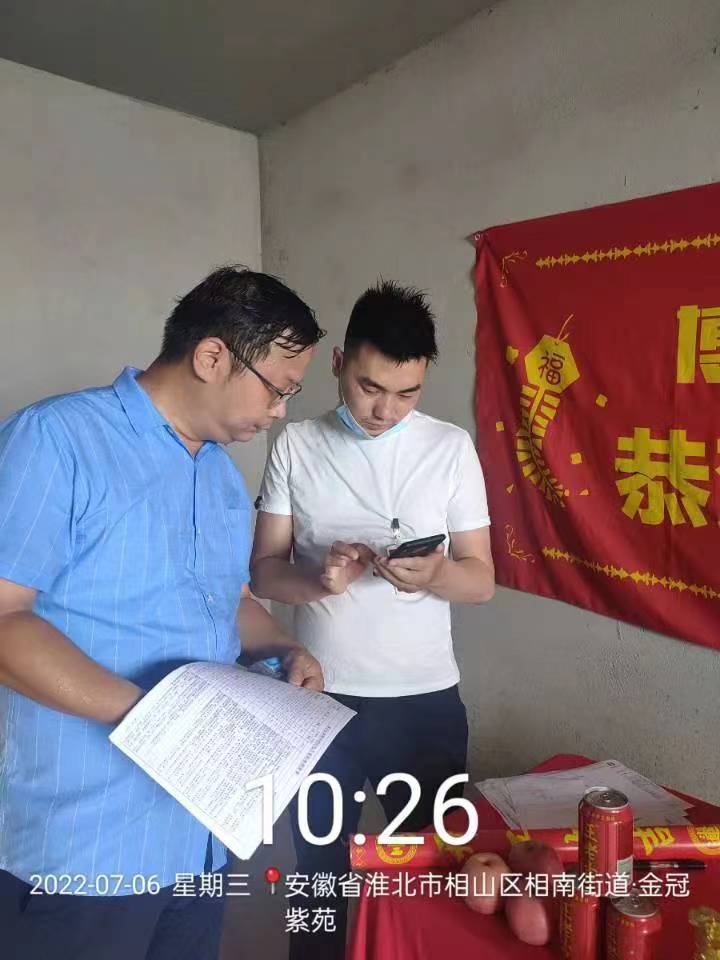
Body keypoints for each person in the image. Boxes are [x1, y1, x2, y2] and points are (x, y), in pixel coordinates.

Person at [0, 266, 325, 960]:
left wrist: (284, 649)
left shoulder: (220, 475)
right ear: (212, 356)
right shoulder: (56, 439)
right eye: (277, 389)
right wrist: (159, 719)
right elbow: (4, 620)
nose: (279, 413)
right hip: (84, 846)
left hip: (197, 837)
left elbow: (231, 602)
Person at [251, 279, 495, 958]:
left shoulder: (450, 448)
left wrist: (435, 574)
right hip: (319, 701)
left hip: (424, 704)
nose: (386, 410)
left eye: (407, 393)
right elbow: (263, 571)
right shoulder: (297, 444)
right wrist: (316, 580)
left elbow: (481, 581)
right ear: (338, 364)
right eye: (369, 388)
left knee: (432, 878)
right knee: (319, 882)